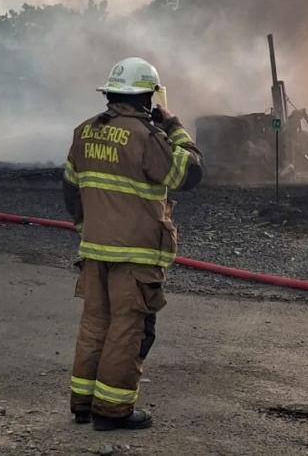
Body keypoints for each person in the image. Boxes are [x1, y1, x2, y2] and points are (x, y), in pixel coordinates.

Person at [63, 57, 203, 431]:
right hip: (135, 255)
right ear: (147, 98)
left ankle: (83, 405)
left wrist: (86, 229)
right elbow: (190, 172)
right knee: (129, 330)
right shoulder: (147, 137)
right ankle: (112, 411)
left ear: (111, 93)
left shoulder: (84, 132)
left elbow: (71, 189)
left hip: (94, 250)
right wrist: (175, 127)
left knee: (95, 325)